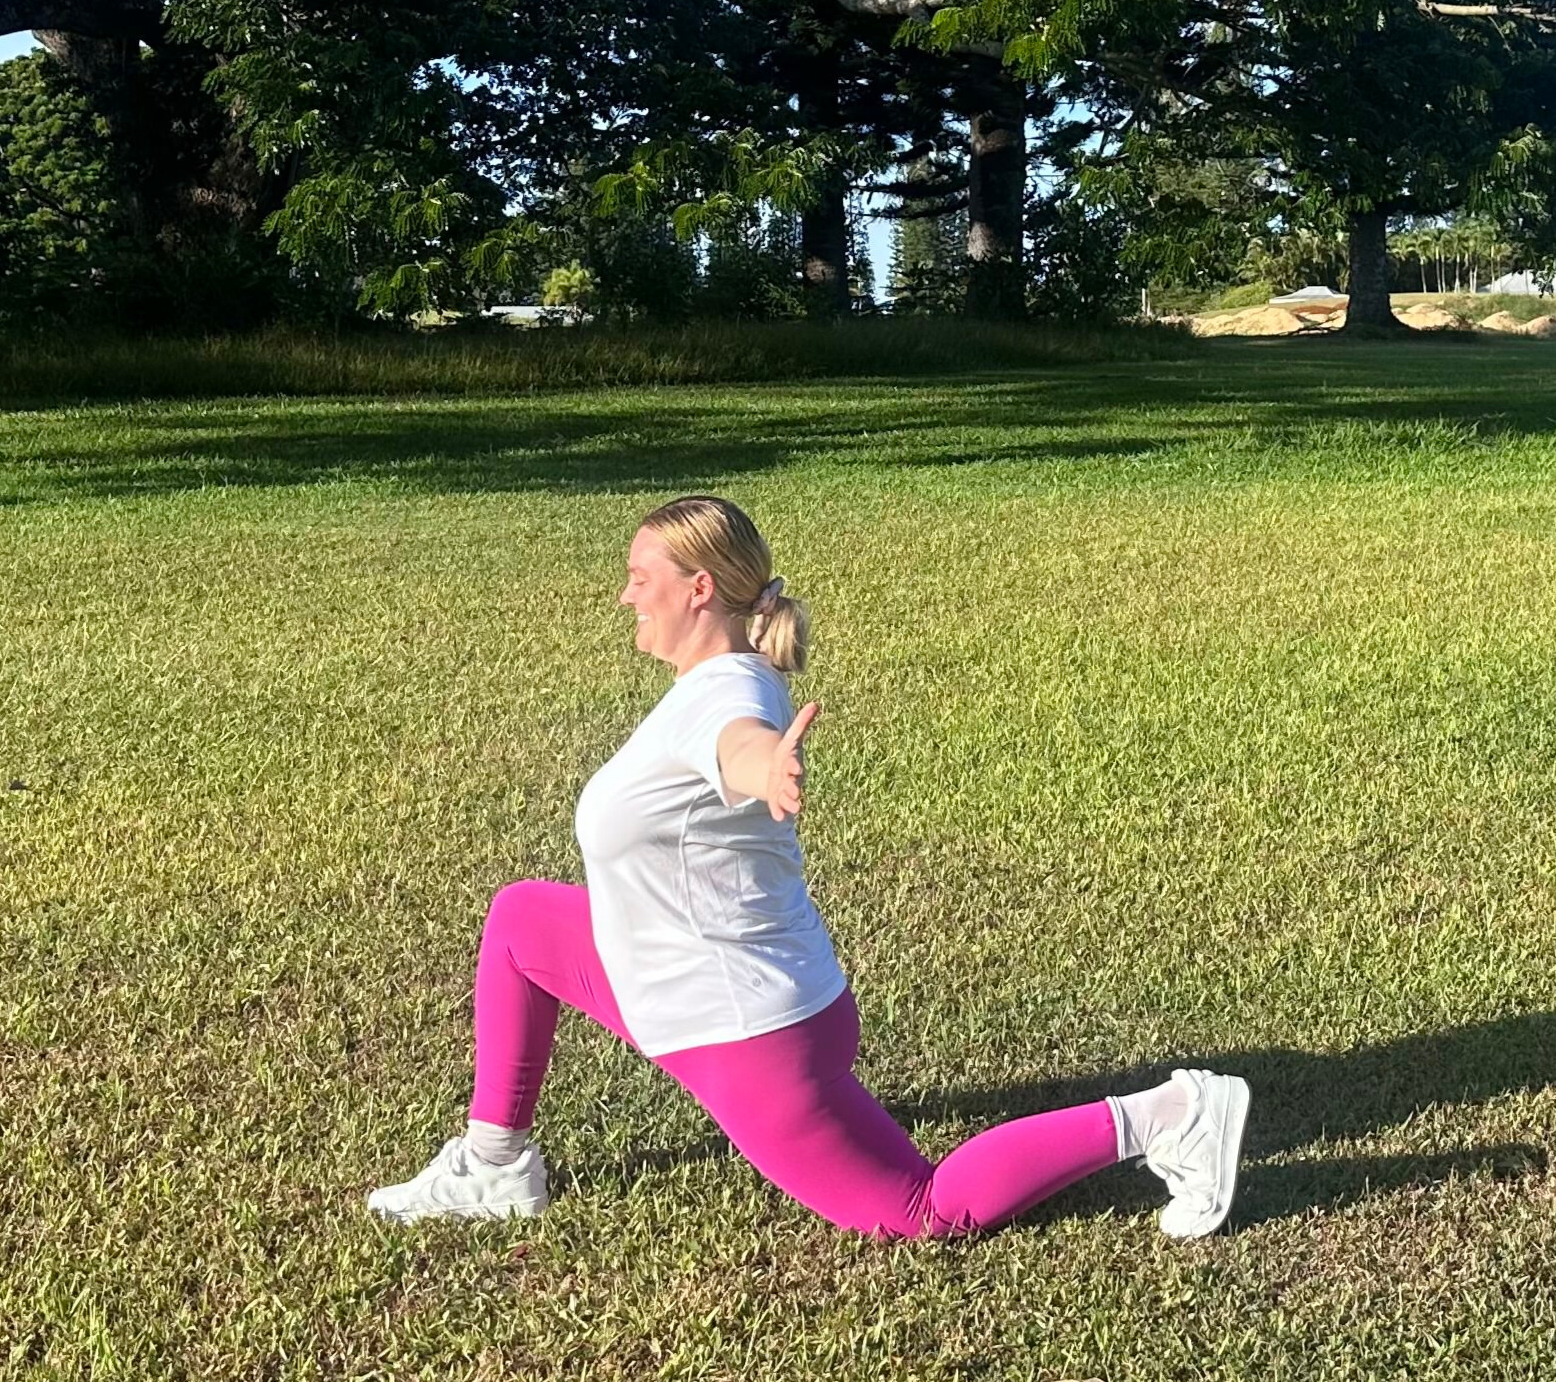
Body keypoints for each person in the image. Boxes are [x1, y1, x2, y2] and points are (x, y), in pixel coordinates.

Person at [368, 496, 1250, 1240]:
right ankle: (494, 1163)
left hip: (746, 1031)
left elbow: (738, 745)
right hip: (684, 980)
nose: (625, 594)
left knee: (922, 1211)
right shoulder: (708, 680)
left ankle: (1170, 1115)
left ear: (699, 588)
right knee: (524, 919)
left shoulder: (727, 694)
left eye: (640, 577)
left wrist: (766, 768)